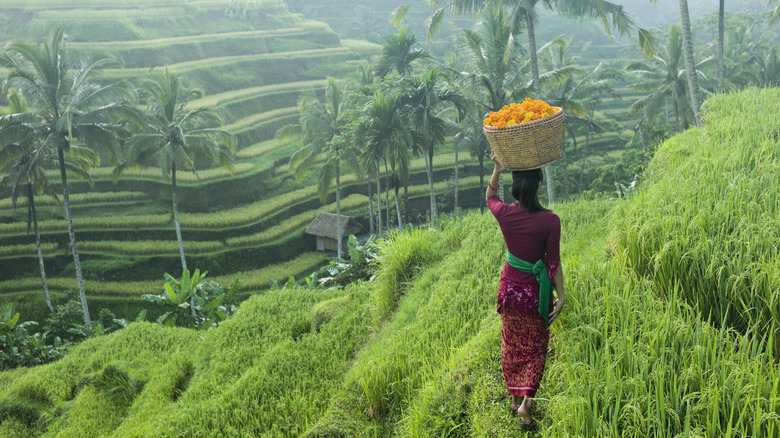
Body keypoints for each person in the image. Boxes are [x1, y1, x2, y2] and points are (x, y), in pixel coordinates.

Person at [485, 153, 565, 430]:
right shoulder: (551, 220)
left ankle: (513, 396)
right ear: (540, 184)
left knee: (512, 344)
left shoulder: (505, 214)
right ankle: (525, 405)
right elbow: (552, 262)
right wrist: (562, 296)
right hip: (534, 295)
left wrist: (497, 169)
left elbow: (490, 197)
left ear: (516, 187)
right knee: (536, 349)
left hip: (509, 292)